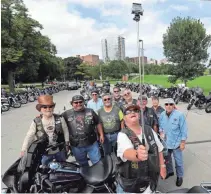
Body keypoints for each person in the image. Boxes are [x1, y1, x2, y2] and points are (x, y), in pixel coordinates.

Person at [116, 104, 166, 193]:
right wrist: (137, 154)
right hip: (133, 185)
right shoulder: (122, 135)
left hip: (151, 179)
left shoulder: (149, 129)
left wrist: (162, 166)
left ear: (139, 115)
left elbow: (159, 148)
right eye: (128, 112)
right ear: (124, 118)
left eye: (135, 110)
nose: (132, 112)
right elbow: (126, 152)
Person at [21, 95, 70, 166]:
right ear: (40, 109)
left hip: (60, 150)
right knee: (44, 170)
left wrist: (67, 144)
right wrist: (24, 149)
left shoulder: (60, 118)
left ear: (53, 108)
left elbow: (66, 131)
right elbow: (29, 135)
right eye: (45, 107)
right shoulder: (36, 121)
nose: (48, 109)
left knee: (63, 168)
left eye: (50, 106)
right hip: (44, 152)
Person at [62, 95, 104, 167]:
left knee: (97, 162)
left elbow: (98, 123)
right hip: (76, 145)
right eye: (76, 102)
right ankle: (87, 177)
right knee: (82, 164)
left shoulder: (90, 111)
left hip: (92, 143)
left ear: (84, 102)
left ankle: (99, 176)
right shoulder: (66, 114)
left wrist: (101, 134)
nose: (78, 104)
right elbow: (57, 122)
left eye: (80, 102)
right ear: (72, 103)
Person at [159, 98, 188, 187]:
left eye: (171, 104)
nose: (169, 106)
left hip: (176, 143)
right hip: (166, 143)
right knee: (167, 160)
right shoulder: (162, 115)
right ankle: (170, 171)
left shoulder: (179, 115)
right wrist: (161, 132)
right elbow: (160, 126)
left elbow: (184, 129)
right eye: (167, 104)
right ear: (165, 106)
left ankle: (180, 176)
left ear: (174, 105)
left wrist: (183, 142)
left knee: (178, 162)